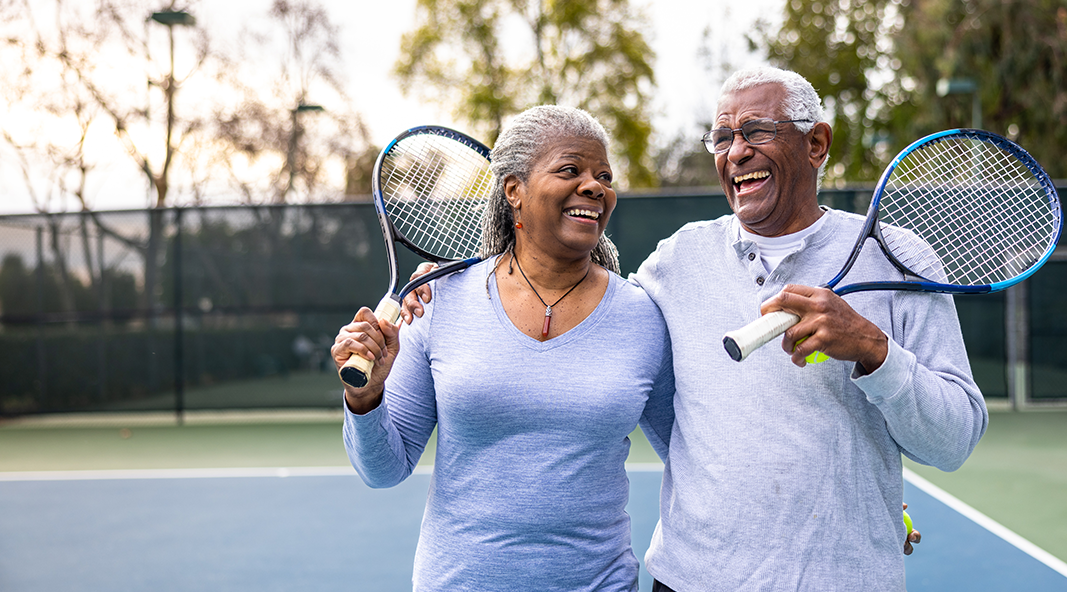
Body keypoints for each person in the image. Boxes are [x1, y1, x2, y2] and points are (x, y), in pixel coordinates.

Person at [627, 66, 985, 591]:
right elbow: (657, 402)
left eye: (756, 132)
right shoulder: (676, 262)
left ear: (816, 143)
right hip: (689, 579)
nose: (736, 152)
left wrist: (871, 348)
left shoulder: (901, 259)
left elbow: (953, 441)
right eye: (722, 138)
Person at [332, 105, 676, 591]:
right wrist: (365, 397)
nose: (595, 186)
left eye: (604, 176)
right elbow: (383, 470)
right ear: (514, 191)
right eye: (569, 170)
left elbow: (690, 455)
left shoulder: (641, 315)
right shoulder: (439, 299)